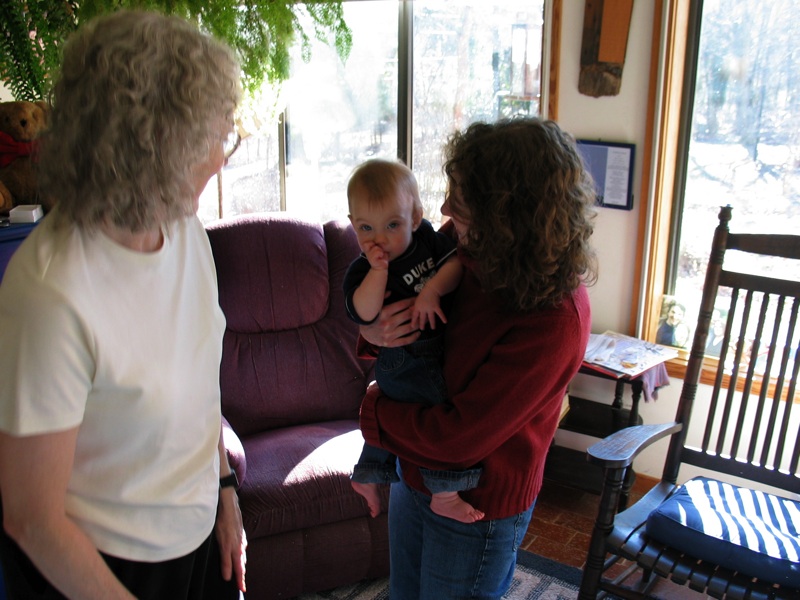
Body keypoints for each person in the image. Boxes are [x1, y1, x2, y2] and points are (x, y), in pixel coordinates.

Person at [0, 11, 246, 599]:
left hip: (196, 538)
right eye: (212, 138)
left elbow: (197, 387)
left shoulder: (185, 233)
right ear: (147, 149)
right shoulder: (51, 294)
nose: (221, 158)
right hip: (104, 566)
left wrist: (225, 493)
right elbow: (32, 519)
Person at [357, 118, 596, 599]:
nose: (444, 210)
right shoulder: (465, 245)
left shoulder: (555, 318)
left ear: (508, 217)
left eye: (460, 203)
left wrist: (372, 414)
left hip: (479, 505)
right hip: (415, 473)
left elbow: (459, 437)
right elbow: (392, 319)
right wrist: (372, 333)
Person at [344, 159, 484, 524]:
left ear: (417, 216)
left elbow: (455, 264)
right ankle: (446, 492)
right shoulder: (364, 268)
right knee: (437, 405)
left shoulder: (428, 241)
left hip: (430, 350)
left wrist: (431, 291)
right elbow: (363, 311)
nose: (379, 238)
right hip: (402, 358)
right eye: (365, 228)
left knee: (405, 411)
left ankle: (368, 473)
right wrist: (377, 272)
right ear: (353, 225)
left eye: (393, 225)